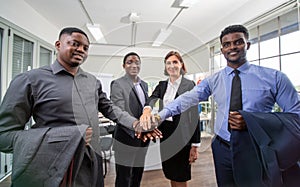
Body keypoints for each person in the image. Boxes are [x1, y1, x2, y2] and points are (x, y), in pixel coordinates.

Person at [139, 25, 300, 186]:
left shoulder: (275, 78)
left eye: (238, 42)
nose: (232, 47)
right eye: (227, 44)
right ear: (222, 49)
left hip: (256, 148)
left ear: (248, 45)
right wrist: (159, 116)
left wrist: (252, 121)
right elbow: (187, 99)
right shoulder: (214, 80)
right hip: (222, 148)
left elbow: (296, 117)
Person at [0, 27, 140, 187]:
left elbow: (109, 108)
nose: (81, 49)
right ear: (58, 45)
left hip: (93, 165)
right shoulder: (30, 80)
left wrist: (135, 124)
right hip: (55, 169)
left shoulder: (92, 81)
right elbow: (4, 137)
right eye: (74, 44)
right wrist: (69, 136)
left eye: (85, 48)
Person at [143, 51, 200, 187]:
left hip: (182, 136)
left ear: (181, 65)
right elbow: (152, 98)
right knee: (170, 172)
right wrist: (147, 109)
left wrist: (195, 144)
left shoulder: (189, 85)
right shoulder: (162, 85)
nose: (172, 65)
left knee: (180, 175)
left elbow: (194, 115)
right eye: (168, 63)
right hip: (166, 134)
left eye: (175, 62)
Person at [110, 52, 150, 187]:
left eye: (137, 62)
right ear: (124, 66)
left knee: (137, 175)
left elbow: (145, 107)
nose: (134, 65)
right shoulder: (117, 84)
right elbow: (118, 111)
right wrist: (136, 126)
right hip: (126, 138)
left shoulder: (144, 85)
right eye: (129, 62)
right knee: (124, 178)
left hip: (143, 138)